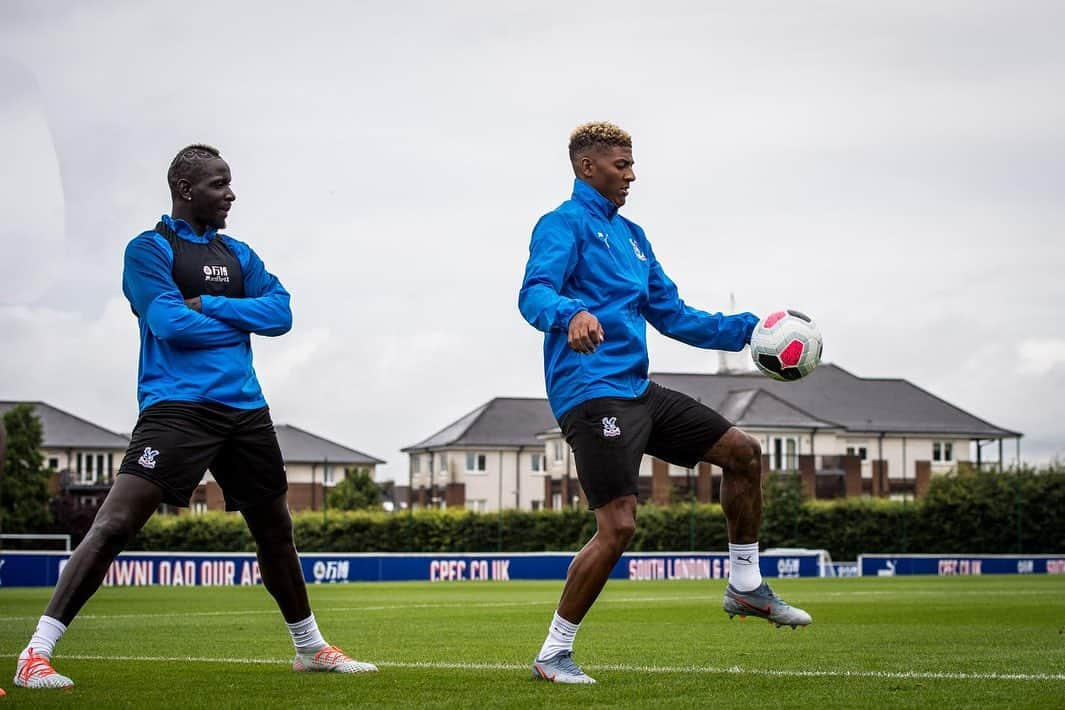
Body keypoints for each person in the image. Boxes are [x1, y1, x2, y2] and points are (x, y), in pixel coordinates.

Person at [14, 145, 377, 690]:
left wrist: (209, 305)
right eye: (218, 184)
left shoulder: (240, 255)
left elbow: (281, 314)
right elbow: (169, 325)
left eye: (230, 184)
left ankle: (310, 647)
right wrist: (232, 320)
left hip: (247, 412)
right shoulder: (149, 250)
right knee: (115, 523)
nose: (230, 193)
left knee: (277, 532)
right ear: (186, 189)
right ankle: (35, 653)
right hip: (177, 409)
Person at [518, 122, 812, 685]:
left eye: (632, 164)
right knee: (619, 526)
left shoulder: (634, 237)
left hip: (637, 389)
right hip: (590, 392)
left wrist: (750, 331)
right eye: (620, 165)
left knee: (744, 453)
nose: (631, 174)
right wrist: (570, 314)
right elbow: (534, 292)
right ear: (587, 168)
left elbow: (673, 315)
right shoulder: (561, 225)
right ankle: (553, 654)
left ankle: (746, 586)